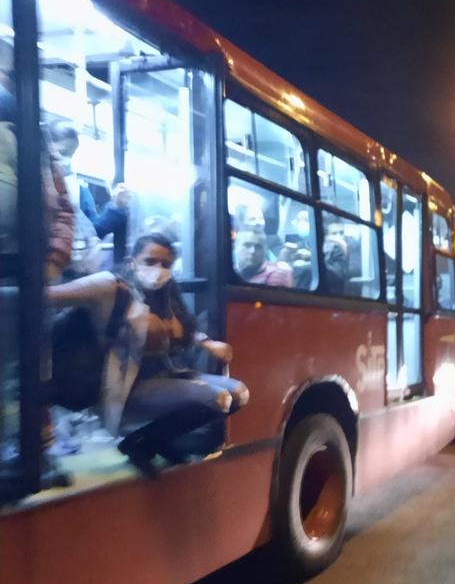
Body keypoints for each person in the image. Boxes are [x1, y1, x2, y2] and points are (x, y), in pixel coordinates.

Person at [48, 233, 248, 476]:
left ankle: (154, 442)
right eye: (150, 261)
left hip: (169, 376)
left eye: (166, 264)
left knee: (239, 394)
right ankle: (139, 445)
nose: (158, 269)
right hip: (128, 386)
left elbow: (185, 329)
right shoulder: (111, 286)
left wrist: (207, 343)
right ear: (133, 262)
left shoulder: (167, 293)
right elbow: (49, 296)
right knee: (218, 398)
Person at [49, 121, 130, 272]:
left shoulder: (79, 190)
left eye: (71, 155)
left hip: (73, 269)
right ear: (47, 147)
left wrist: (116, 208)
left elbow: (93, 231)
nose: (67, 161)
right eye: (63, 152)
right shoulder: (34, 185)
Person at [233, 212, 293, 287]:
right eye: (247, 245)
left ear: (264, 250)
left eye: (258, 247)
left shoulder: (276, 274)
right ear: (235, 247)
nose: (252, 251)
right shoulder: (229, 269)